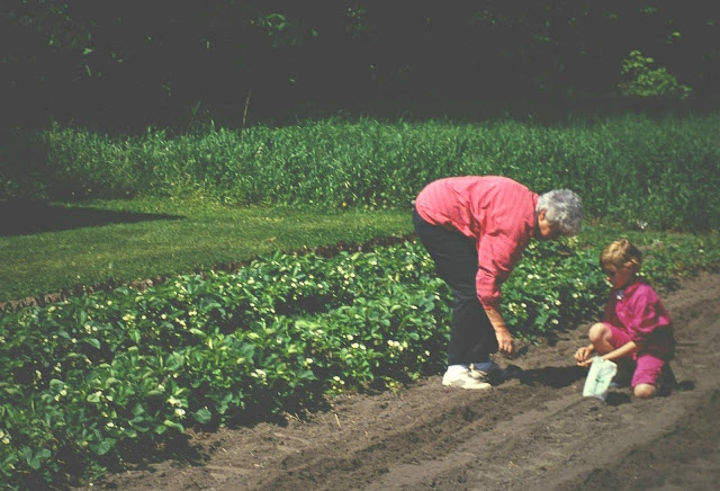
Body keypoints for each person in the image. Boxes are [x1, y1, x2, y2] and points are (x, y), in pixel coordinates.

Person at [413, 175, 582, 389]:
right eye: (555, 231)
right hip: (434, 216)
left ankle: (481, 363)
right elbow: (486, 285)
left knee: (479, 287)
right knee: (470, 290)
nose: (553, 238)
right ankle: (456, 369)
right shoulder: (514, 226)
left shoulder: (528, 207)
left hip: (447, 208)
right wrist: (501, 330)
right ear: (543, 214)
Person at [574, 239, 675, 399]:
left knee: (643, 392)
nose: (607, 278)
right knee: (597, 331)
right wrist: (589, 348)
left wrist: (602, 359)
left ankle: (661, 375)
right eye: (606, 273)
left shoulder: (643, 295)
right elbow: (609, 325)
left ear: (629, 268)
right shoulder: (617, 292)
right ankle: (626, 370)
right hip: (630, 343)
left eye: (611, 273)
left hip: (650, 348)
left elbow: (640, 342)